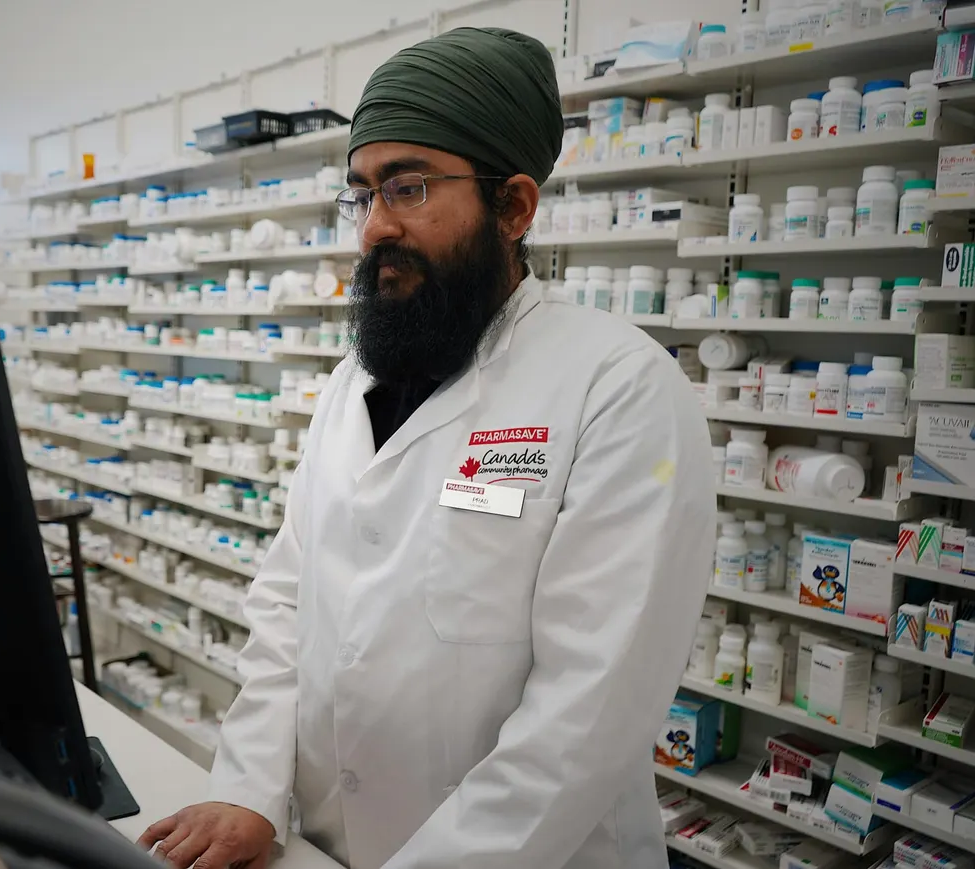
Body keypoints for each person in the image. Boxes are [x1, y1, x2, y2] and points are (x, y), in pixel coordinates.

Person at [139, 26, 715, 869]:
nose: (374, 227)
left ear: (514, 207)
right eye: (362, 194)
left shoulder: (618, 386)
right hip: (328, 846)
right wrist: (247, 785)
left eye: (407, 187)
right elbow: (287, 604)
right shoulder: (352, 383)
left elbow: (588, 712)